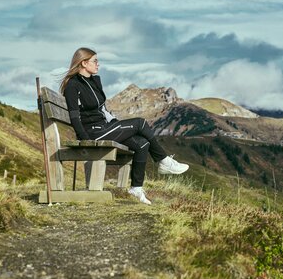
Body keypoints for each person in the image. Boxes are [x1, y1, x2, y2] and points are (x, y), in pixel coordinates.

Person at [61, 47, 189, 205]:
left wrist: (115, 123)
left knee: (143, 144)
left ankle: (136, 188)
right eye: (95, 61)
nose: (98, 64)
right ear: (84, 63)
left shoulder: (94, 81)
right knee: (140, 122)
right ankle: (164, 161)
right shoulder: (73, 85)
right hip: (93, 133)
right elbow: (74, 115)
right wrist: (85, 140)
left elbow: (101, 108)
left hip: (104, 127)